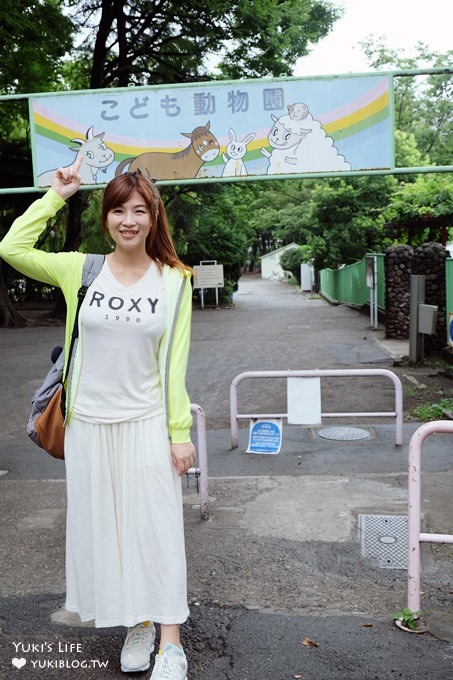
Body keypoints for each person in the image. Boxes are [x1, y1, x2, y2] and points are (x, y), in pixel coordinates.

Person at [0, 157, 196, 680]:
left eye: (138, 210)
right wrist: (56, 196)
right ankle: (138, 623)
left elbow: (175, 366)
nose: (128, 220)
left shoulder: (175, 281)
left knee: (157, 531)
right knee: (108, 531)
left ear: (153, 218)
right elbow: (11, 248)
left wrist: (180, 435)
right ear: (106, 217)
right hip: (86, 425)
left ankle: (170, 644)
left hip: (147, 426)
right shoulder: (80, 268)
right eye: (118, 211)